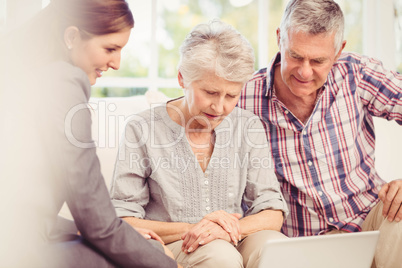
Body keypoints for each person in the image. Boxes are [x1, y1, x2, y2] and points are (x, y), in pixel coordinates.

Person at [0, 0, 179, 267]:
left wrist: (93, 231)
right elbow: (95, 220)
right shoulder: (64, 82)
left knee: (140, 247)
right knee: (148, 256)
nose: (117, 63)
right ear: (71, 36)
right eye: (110, 48)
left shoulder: (29, 76)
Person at [110, 19, 288, 268]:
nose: (220, 107)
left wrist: (226, 230)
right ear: (182, 78)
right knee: (219, 255)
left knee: (275, 247)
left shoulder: (247, 126)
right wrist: (198, 229)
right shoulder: (142, 129)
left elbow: (272, 212)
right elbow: (122, 219)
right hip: (176, 245)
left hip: (233, 237)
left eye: (232, 95)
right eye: (211, 93)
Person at [238, 0, 402, 267]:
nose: (304, 71)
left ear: (338, 52)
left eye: (317, 61)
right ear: (280, 38)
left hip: (369, 220)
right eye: (295, 56)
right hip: (296, 241)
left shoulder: (356, 73)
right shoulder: (244, 96)